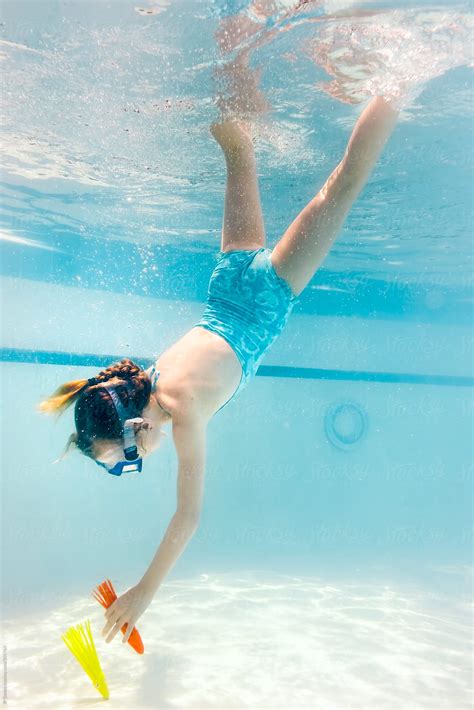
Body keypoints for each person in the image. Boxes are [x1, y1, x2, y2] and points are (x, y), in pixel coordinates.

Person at [39, 95, 399, 646]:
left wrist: (143, 593)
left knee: (343, 185)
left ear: (137, 430)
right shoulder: (151, 380)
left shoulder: (181, 413)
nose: (135, 468)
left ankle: (393, 88)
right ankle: (235, 51)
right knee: (236, 146)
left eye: (126, 463)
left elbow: (188, 517)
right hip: (227, 279)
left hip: (268, 296)